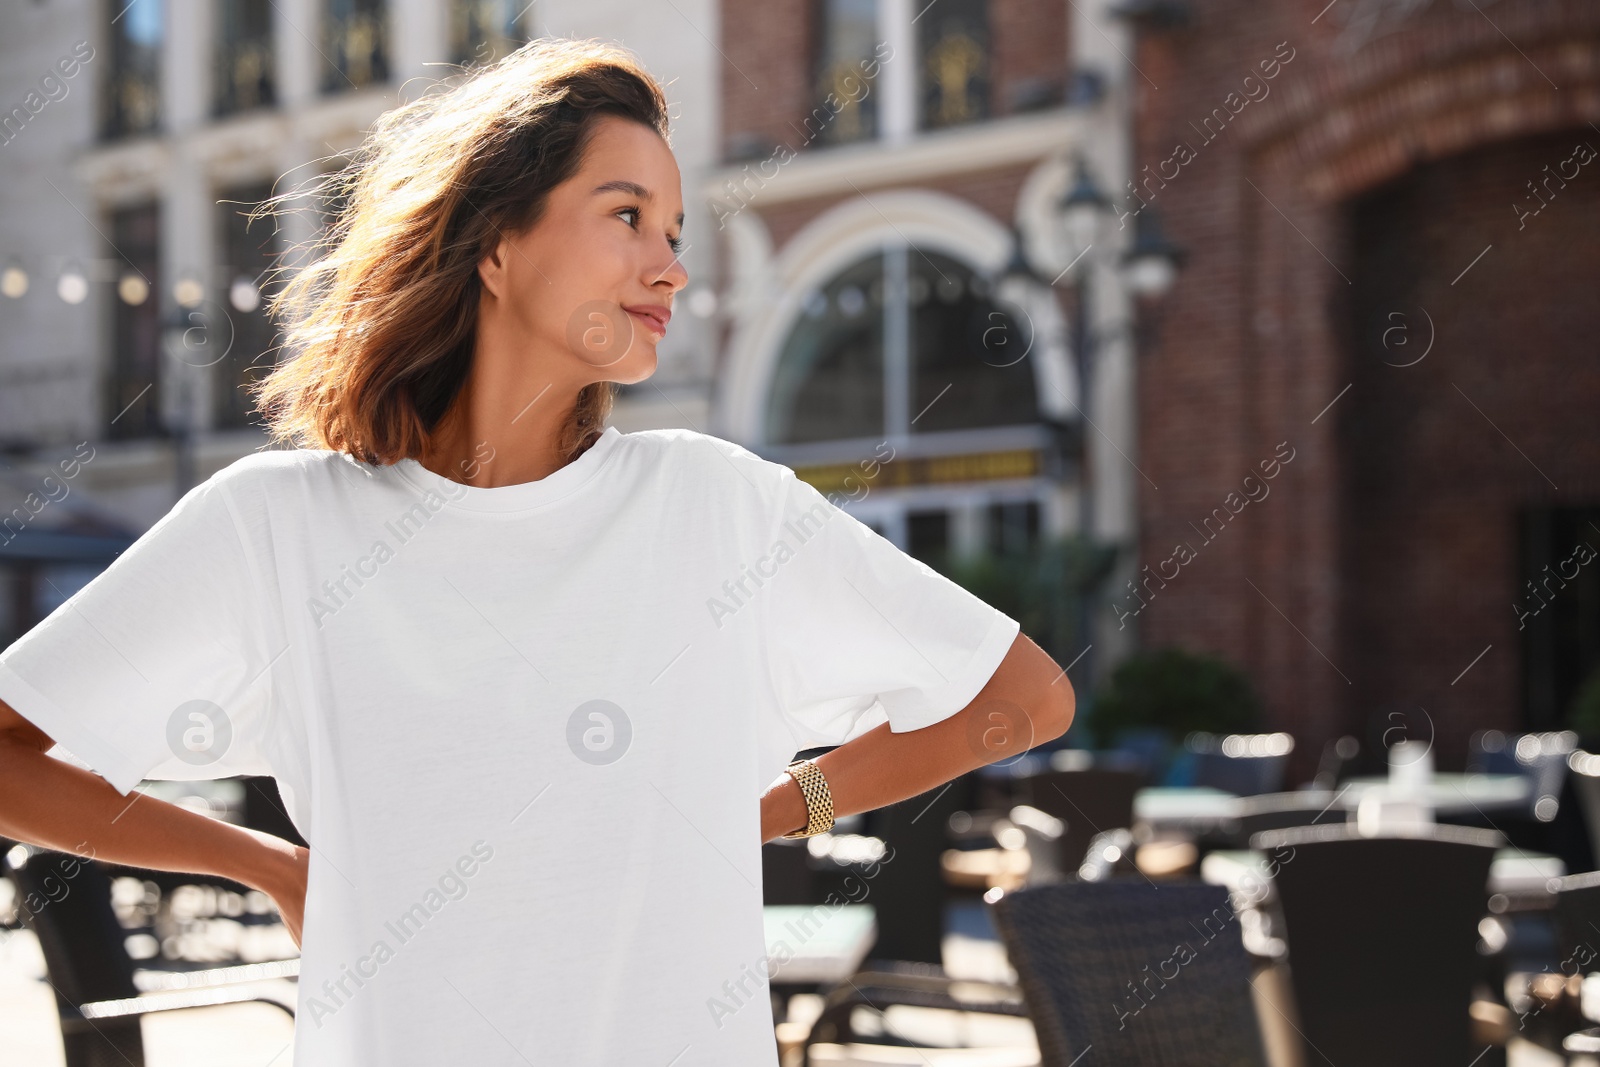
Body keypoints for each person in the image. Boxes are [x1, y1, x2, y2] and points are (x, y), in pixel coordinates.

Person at [0, 36, 1074, 1065]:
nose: (670, 268)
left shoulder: (714, 505)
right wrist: (271, 865)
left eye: (676, 231)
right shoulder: (276, 525)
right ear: (497, 244)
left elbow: (1023, 697)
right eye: (628, 217)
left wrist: (777, 808)